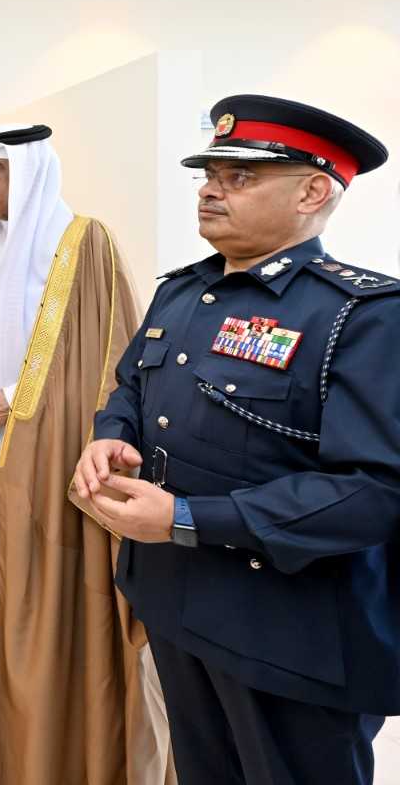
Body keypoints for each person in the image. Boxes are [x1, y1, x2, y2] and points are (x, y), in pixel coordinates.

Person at [74, 95, 399, 784]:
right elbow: (131, 386)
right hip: (176, 599)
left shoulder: (362, 316)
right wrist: (110, 437)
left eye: (240, 176)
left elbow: (373, 493)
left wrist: (187, 518)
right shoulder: (183, 292)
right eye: (210, 174)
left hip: (287, 632)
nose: (209, 189)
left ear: (313, 192)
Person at [0, 125, 172, 785]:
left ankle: (39, 749)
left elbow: (107, 359)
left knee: (38, 594)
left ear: (32, 171)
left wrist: (15, 399)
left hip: (47, 459)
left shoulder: (82, 243)